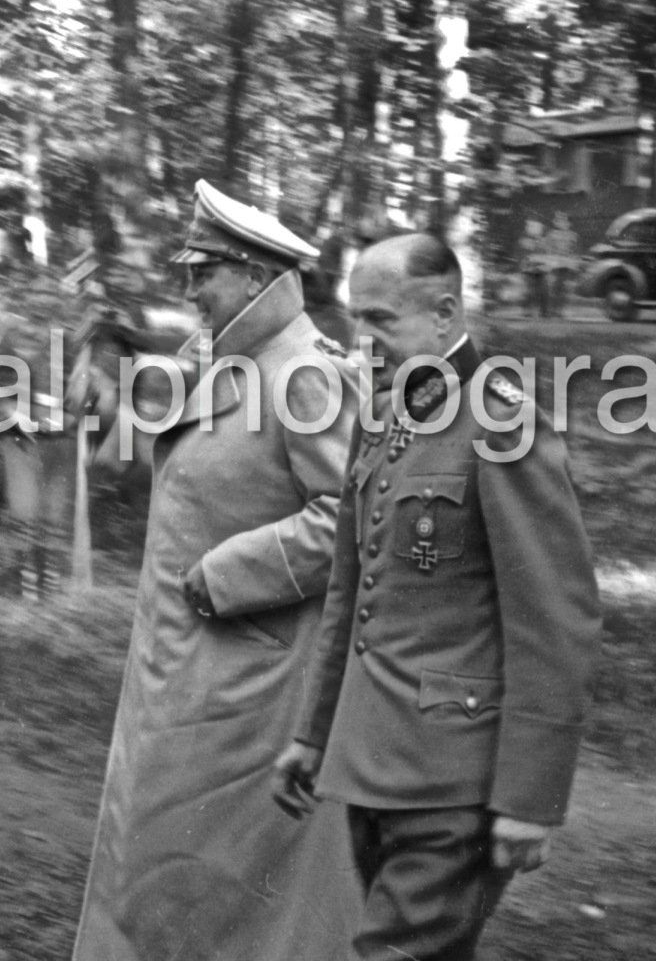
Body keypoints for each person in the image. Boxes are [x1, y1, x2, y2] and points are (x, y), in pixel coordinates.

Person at [272, 232, 601, 961]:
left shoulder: (501, 421)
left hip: (457, 781)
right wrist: (313, 732)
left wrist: (528, 799)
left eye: (382, 321)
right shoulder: (385, 414)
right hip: (371, 764)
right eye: (357, 320)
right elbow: (351, 593)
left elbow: (555, 616)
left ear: (446, 314)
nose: (363, 341)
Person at [70, 179, 363, 961]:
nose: (189, 288)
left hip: (248, 681)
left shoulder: (304, 374)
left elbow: (350, 521)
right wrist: (108, 418)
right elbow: (187, 466)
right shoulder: (228, 361)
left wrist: (227, 573)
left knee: (216, 884)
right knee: (164, 865)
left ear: (255, 277)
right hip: (188, 667)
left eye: (204, 271)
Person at [542, 212, 579, 317]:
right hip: (554, 265)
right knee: (552, 287)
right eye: (560, 221)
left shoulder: (573, 236)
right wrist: (549, 261)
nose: (563, 223)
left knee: (564, 288)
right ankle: (550, 310)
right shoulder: (551, 235)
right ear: (556, 222)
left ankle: (560, 310)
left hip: (566, 265)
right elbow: (547, 249)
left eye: (565, 221)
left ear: (569, 223)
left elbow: (575, 250)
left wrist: (574, 262)